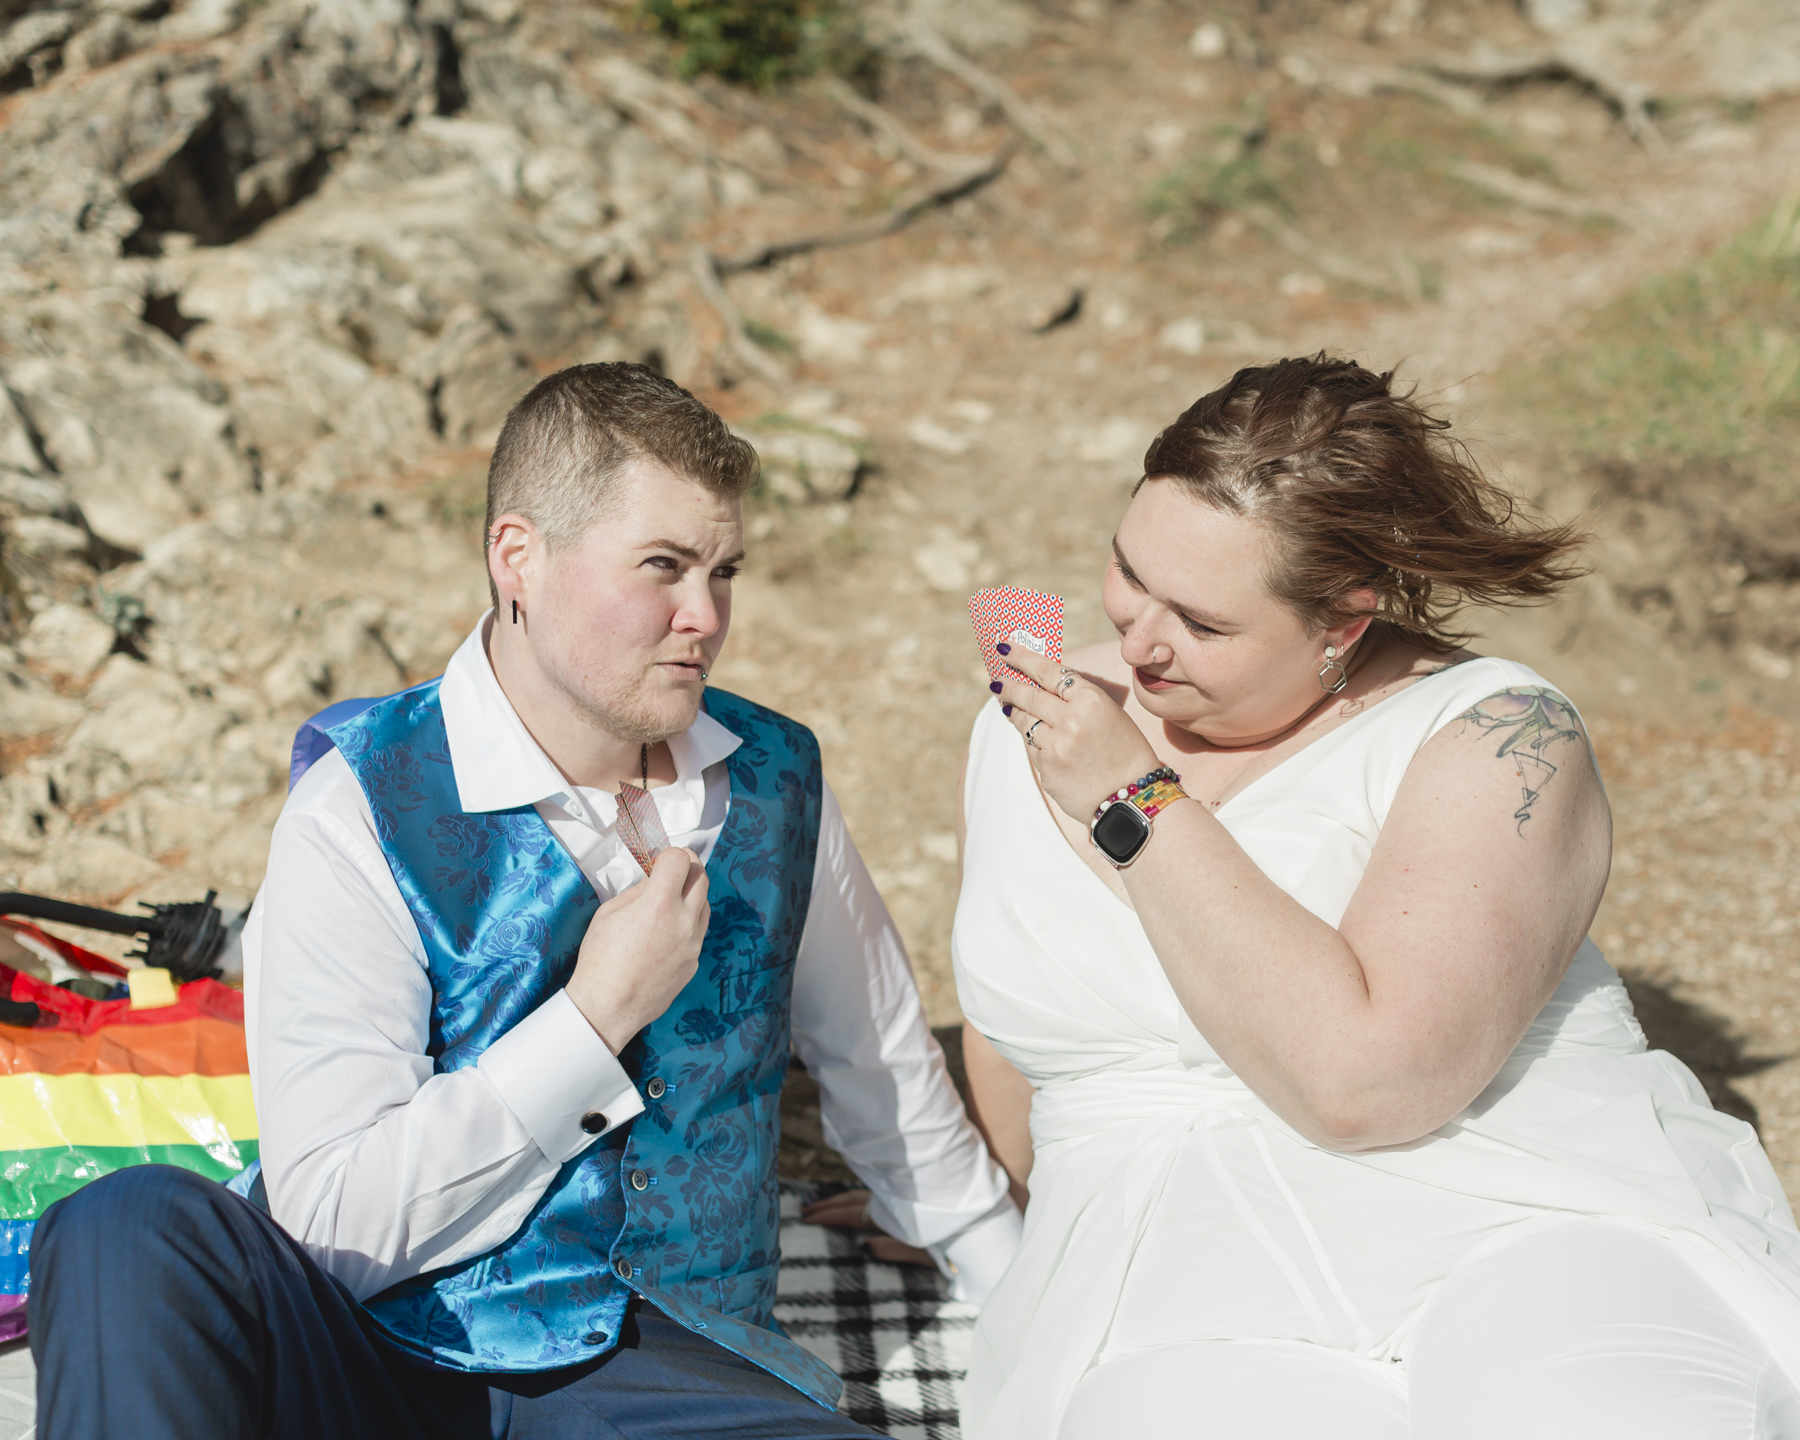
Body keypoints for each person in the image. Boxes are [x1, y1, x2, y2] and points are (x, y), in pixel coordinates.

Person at [29, 363, 1020, 1440]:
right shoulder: (358, 806)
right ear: (520, 558)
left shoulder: (775, 779)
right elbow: (332, 1222)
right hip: (373, 1351)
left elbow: (879, 1069)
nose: (706, 616)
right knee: (122, 1230)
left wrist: (1026, 1298)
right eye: (663, 567)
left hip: (665, 1373)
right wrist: (591, 1024)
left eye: (724, 570)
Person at [954, 355, 1800, 1440]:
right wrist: (970, 1201)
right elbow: (1013, 1017)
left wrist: (1134, 800)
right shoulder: (1031, 720)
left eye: (1203, 624)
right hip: (1165, 1289)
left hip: (1502, 1215)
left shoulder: (1495, 735)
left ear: (1343, 622)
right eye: (1129, 573)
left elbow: (1367, 1088)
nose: (1138, 641)